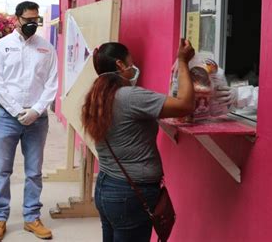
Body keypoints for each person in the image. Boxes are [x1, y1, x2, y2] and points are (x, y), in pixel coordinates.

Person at [81, 39, 203, 242]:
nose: (134, 67)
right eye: (132, 62)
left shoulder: (97, 96)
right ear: (120, 65)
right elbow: (185, 105)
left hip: (107, 187)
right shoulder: (129, 97)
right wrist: (182, 61)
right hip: (129, 195)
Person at [0, 1, 58, 241]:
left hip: (37, 119)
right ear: (16, 19)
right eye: (27, 20)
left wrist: (36, 110)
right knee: (2, 169)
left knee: (34, 171)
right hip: (7, 117)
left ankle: (31, 218)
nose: (32, 24)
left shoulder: (46, 48)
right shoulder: (2, 47)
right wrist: (18, 111)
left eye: (35, 20)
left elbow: (52, 83)